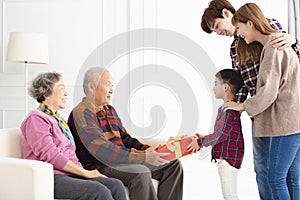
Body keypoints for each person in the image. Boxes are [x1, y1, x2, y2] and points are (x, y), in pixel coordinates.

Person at [200, 1, 300, 199]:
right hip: (259, 111)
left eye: (217, 26)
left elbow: (291, 61)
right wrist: (235, 105)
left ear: (227, 13)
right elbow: (242, 82)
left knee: (284, 174)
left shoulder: (269, 28)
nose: (218, 33)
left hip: (282, 111)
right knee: (263, 168)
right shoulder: (234, 48)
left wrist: (293, 39)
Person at [68, 67, 183, 200]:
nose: (111, 89)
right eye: (107, 84)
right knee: (140, 172)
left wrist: (147, 150)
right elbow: (103, 151)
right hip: (102, 165)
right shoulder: (82, 113)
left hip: (122, 161)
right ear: (91, 87)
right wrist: (143, 156)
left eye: (112, 85)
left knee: (172, 164)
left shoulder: (109, 110)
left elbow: (126, 139)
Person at [21, 72, 127, 200]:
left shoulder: (59, 121)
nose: (66, 93)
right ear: (46, 93)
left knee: (116, 185)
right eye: (61, 88)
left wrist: (82, 171)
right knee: (99, 191)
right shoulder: (36, 119)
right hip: (53, 177)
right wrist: (85, 173)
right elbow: (51, 155)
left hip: (71, 173)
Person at [188, 69, 244, 200]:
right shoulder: (226, 108)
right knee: (230, 195)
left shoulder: (228, 110)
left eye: (215, 84)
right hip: (227, 157)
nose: (213, 88)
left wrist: (200, 142)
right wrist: (203, 138)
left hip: (227, 158)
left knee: (229, 196)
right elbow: (221, 134)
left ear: (225, 87)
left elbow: (220, 135)